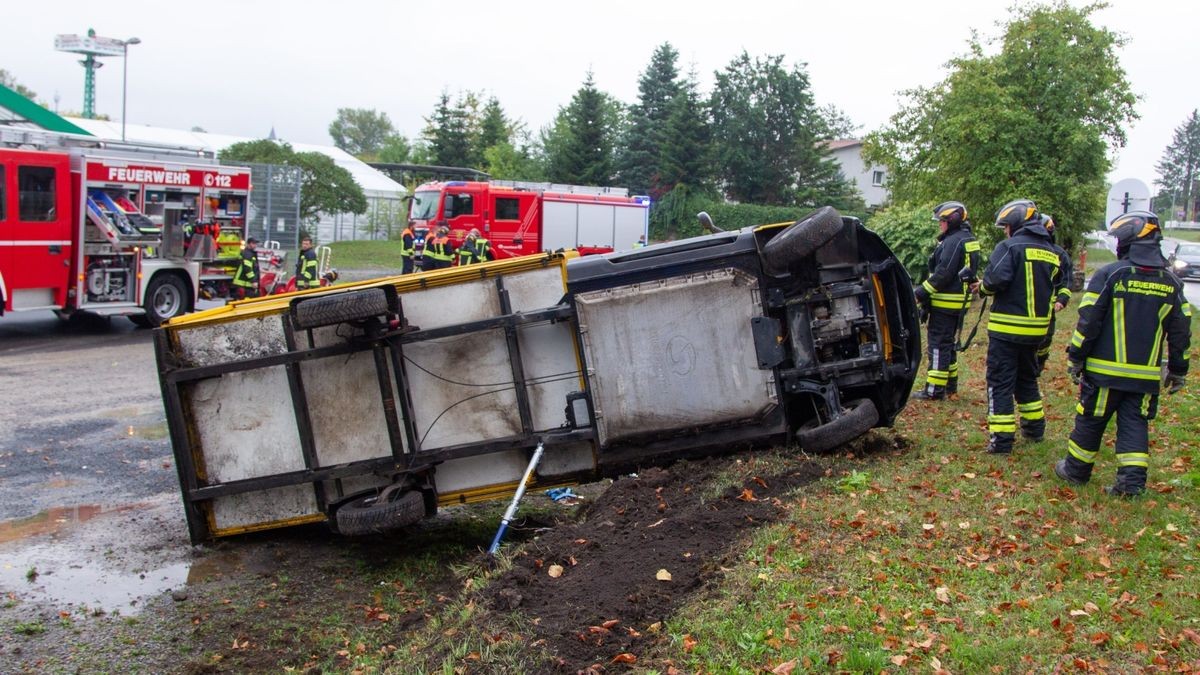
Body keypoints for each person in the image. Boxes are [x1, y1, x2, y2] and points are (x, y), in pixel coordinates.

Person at [1054, 210, 1191, 496]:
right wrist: (1178, 370)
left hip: (1104, 373)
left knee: (1091, 420)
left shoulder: (1111, 275)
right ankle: (1131, 485)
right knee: (1134, 425)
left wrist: (1077, 356)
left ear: (1129, 240)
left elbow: (1089, 320)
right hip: (1144, 378)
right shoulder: (1171, 283)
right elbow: (1181, 333)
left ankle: (1076, 471)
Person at [975, 199, 1063, 454]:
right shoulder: (1050, 251)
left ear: (1015, 224)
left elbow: (994, 281)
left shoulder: (1009, 247)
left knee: (1000, 383)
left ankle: (1001, 441)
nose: (1004, 231)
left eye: (1006, 226)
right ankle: (1035, 429)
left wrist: (981, 287)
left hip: (1007, 331)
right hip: (1036, 331)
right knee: (1026, 380)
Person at [912, 201, 980, 400]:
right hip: (959, 302)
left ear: (952, 220)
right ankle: (951, 386)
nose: (939, 225)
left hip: (946, 303)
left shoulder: (953, 241)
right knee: (948, 345)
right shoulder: (968, 238)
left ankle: (934, 391)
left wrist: (919, 294)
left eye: (942, 221)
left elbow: (943, 274)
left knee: (938, 345)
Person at [1035, 214, 1074, 375]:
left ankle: (1040, 362)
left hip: (1048, 307)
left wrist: (1062, 299)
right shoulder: (1028, 250)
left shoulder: (1059, 254)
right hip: (1026, 303)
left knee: (1045, 339)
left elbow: (1066, 281)